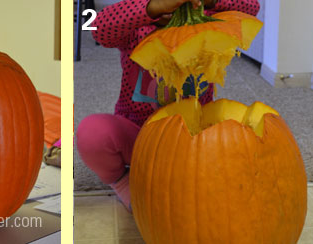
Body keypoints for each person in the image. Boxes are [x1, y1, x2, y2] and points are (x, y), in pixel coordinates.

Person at [76, 0, 260, 210]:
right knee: (93, 134)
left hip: (196, 141)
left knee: (243, 145)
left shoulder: (213, 19)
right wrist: (152, 8)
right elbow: (99, 28)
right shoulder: (135, 25)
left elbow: (251, 7)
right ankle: (122, 181)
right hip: (139, 135)